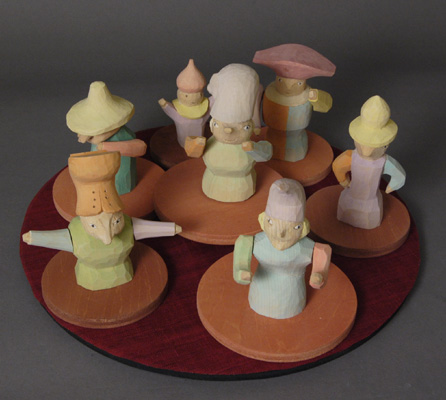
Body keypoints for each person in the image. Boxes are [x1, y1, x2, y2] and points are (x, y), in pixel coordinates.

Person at [23, 151, 180, 290]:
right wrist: (34, 237)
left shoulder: (128, 225)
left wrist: (171, 228)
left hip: (123, 270)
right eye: (94, 225)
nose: (107, 238)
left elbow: (144, 228)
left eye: (116, 222)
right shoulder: (76, 233)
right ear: (83, 221)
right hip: (90, 276)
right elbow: (58, 238)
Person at [233, 178, 331, 319]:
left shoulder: (307, 247)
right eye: (271, 222)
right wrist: (241, 271)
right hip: (259, 295)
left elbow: (322, 255)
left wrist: (319, 276)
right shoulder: (255, 242)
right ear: (262, 220)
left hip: (293, 300)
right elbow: (241, 255)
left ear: (304, 228)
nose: (281, 234)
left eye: (294, 227)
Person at [185, 63, 272, 202]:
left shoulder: (248, 145)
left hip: (243, 187)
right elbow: (191, 151)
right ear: (212, 124)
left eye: (243, 127)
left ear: (250, 126)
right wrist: (196, 145)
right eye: (217, 125)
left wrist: (254, 149)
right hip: (212, 185)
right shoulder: (211, 142)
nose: (228, 132)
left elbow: (266, 153)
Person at [333, 95, 406, 229]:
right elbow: (338, 166)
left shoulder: (384, 161)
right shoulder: (351, 156)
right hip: (351, 196)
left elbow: (399, 175)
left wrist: (392, 186)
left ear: (386, 145)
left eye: (377, 146)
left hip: (371, 202)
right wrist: (344, 181)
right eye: (363, 143)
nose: (368, 151)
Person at [253, 43, 335, 162]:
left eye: (298, 83)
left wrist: (316, 98)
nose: (288, 87)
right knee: (271, 148)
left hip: (296, 141)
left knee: (292, 148)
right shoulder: (270, 92)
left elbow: (326, 106)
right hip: (271, 136)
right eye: (281, 80)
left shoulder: (308, 94)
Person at [66, 81, 147, 195]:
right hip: (100, 179)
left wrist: (105, 146)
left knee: (118, 184)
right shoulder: (94, 136)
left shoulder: (124, 134)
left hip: (122, 182)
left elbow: (140, 147)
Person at [158, 59, 212, 147]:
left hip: (200, 141)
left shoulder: (204, 108)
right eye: (187, 95)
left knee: (198, 144)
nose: (192, 98)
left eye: (198, 94)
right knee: (185, 142)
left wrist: (215, 97)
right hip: (183, 142)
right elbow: (171, 110)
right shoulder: (178, 111)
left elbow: (211, 105)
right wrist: (165, 105)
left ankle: (198, 146)